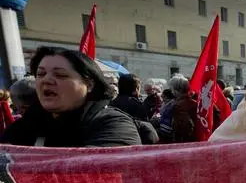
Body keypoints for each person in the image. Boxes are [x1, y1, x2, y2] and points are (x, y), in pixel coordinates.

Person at [1, 47, 141, 147]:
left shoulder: (115, 125)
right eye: (41, 74)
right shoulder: (28, 123)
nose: (46, 80)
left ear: (89, 84)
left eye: (61, 75)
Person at [159, 75, 197, 143]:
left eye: (171, 89)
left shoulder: (178, 106)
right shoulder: (194, 102)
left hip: (182, 143)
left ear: (176, 90)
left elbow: (183, 128)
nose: (171, 91)